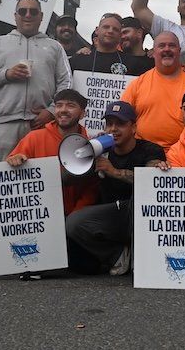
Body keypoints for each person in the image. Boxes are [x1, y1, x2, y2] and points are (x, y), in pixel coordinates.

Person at [65, 101, 165, 275]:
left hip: (141, 214)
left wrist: (114, 172)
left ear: (134, 127)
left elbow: (152, 182)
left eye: (120, 124)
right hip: (112, 214)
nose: (113, 129)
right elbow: (66, 179)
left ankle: (141, 259)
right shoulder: (101, 150)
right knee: (74, 223)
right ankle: (118, 254)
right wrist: (87, 151)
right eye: (109, 123)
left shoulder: (151, 149)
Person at [0, 0, 72, 161]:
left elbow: (66, 82)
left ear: (41, 16)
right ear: (15, 15)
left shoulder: (55, 47)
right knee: (4, 179)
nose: (27, 15)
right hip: (5, 122)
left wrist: (52, 111)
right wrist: (6, 74)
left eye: (33, 12)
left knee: (41, 179)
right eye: (22, 11)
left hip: (41, 123)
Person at [120, 32, 185, 150]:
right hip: (146, 155)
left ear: (179, 50)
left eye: (172, 45)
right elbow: (122, 119)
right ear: (153, 52)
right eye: (162, 46)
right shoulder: (138, 83)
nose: (167, 49)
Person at [5, 89, 99, 216]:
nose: (63, 110)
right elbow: (10, 171)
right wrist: (13, 160)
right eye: (59, 105)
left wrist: (74, 218)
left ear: (82, 114)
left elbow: (90, 191)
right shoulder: (34, 137)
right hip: (37, 217)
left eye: (70, 105)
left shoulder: (91, 147)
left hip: (70, 221)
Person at [70, 13, 153, 76]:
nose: (110, 31)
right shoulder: (78, 60)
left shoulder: (135, 64)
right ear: (97, 30)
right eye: (106, 27)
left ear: (120, 35)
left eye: (115, 29)